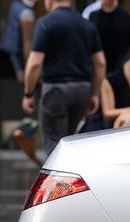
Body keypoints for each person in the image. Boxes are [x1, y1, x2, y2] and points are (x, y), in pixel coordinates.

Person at [22, 0, 106, 154]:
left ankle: (58, 178)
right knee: (71, 141)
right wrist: (94, 93)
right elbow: (100, 63)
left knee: (55, 146)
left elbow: (34, 64)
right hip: (82, 91)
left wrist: (28, 93)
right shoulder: (86, 24)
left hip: (56, 91)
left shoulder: (45, 23)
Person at [0, 0, 37, 81]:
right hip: (15, 58)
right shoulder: (26, 13)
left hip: (5, 53)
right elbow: (27, 43)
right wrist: (30, 67)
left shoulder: (15, 4)